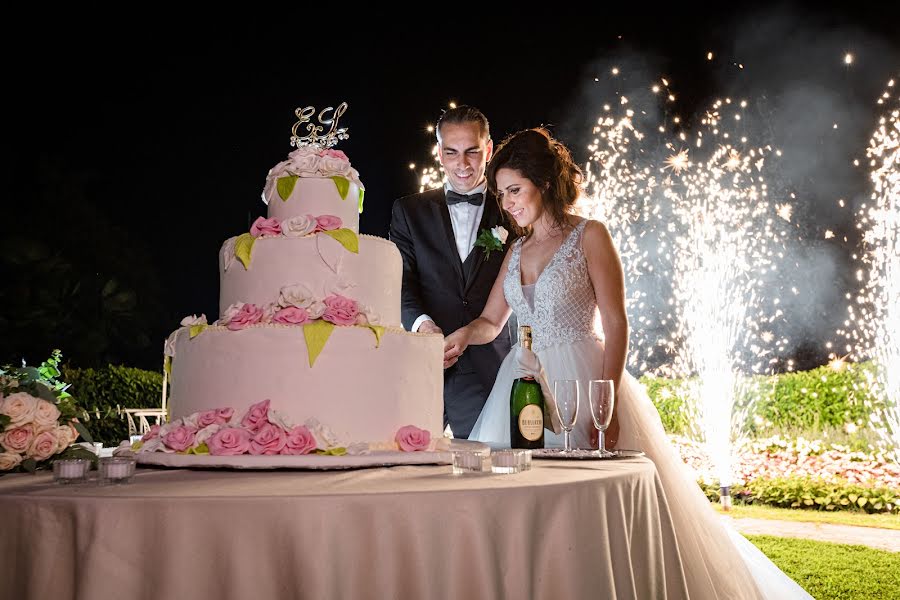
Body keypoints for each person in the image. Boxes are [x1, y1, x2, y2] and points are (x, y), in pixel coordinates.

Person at [443, 128, 813, 599]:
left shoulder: (589, 235)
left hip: (582, 377)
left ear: (544, 182)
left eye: (514, 190)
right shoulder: (515, 249)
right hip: (521, 385)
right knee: (525, 502)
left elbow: (616, 324)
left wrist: (607, 400)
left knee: (589, 503)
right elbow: (493, 322)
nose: (508, 203)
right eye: (501, 194)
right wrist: (461, 336)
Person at [390, 106, 512, 439]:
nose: (462, 163)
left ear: (488, 150)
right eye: (451, 152)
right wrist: (423, 325)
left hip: (488, 368)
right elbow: (401, 282)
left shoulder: (513, 211)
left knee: (484, 476)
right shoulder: (408, 211)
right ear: (439, 153)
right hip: (421, 367)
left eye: (472, 151)